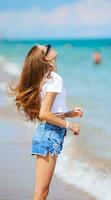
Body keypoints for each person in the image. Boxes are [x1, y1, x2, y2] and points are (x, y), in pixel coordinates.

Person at [8, 44, 84, 200]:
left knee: (42, 192)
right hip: (50, 135)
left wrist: (69, 114)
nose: (51, 46)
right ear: (46, 58)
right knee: (41, 193)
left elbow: (50, 111)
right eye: (47, 48)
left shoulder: (48, 78)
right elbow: (44, 113)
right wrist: (70, 125)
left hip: (48, 133)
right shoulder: (54, 78)